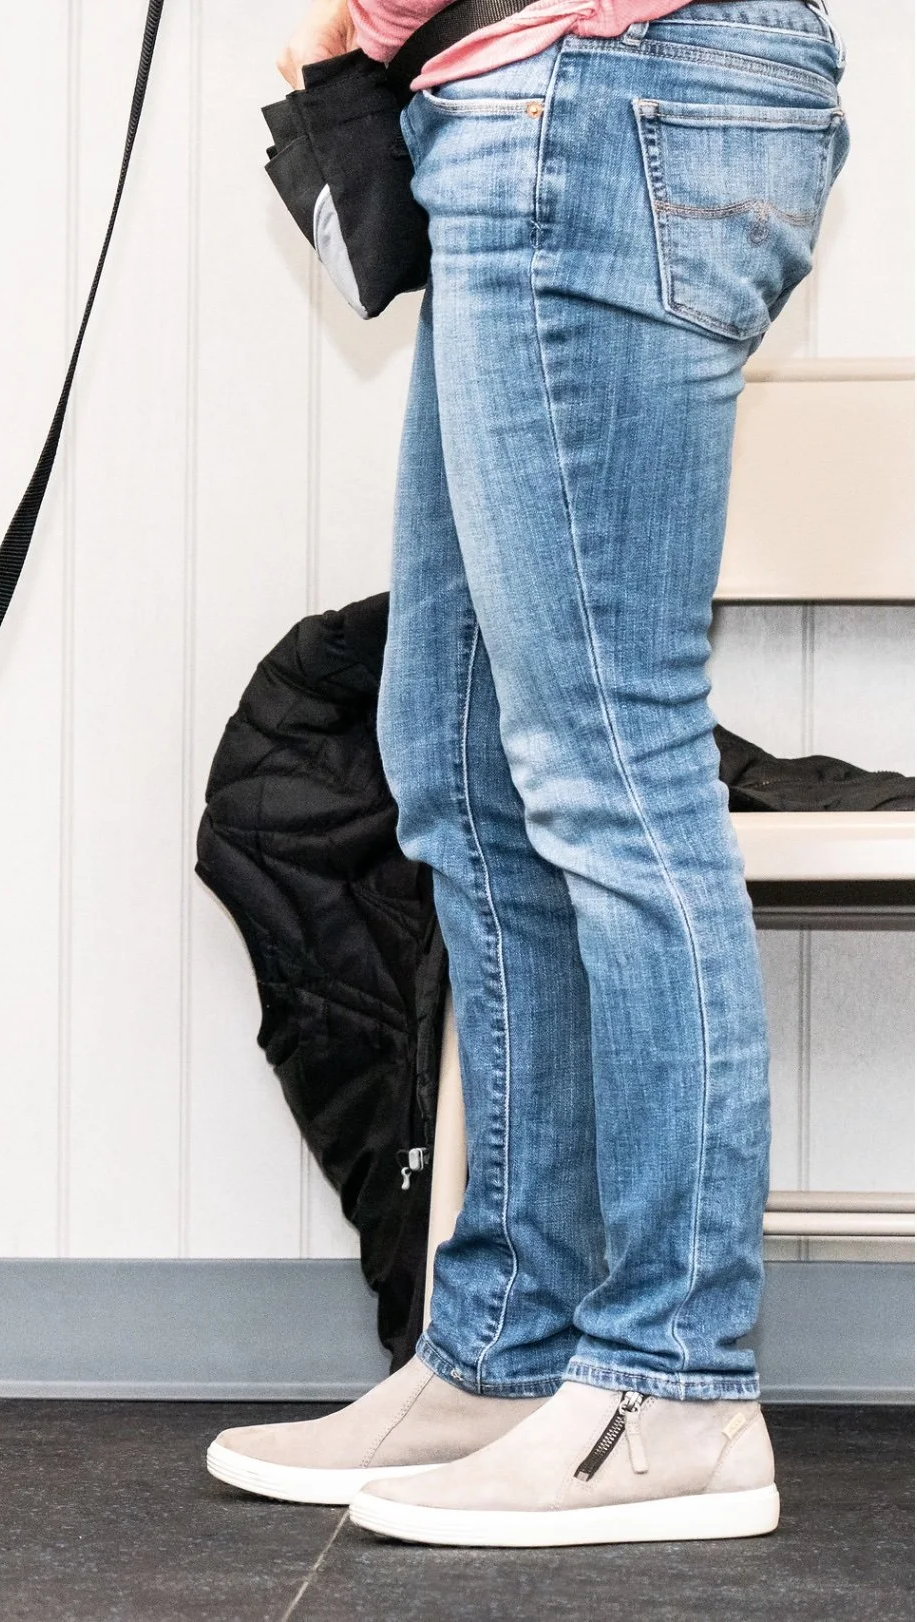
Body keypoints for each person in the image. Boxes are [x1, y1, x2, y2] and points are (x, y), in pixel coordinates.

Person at [204, 0, 848, 1547]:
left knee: (610, 771)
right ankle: (506, 1351)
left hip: (604, 98)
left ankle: (676, 1386)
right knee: (460, 761)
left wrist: (366, 18)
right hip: (555, 108)